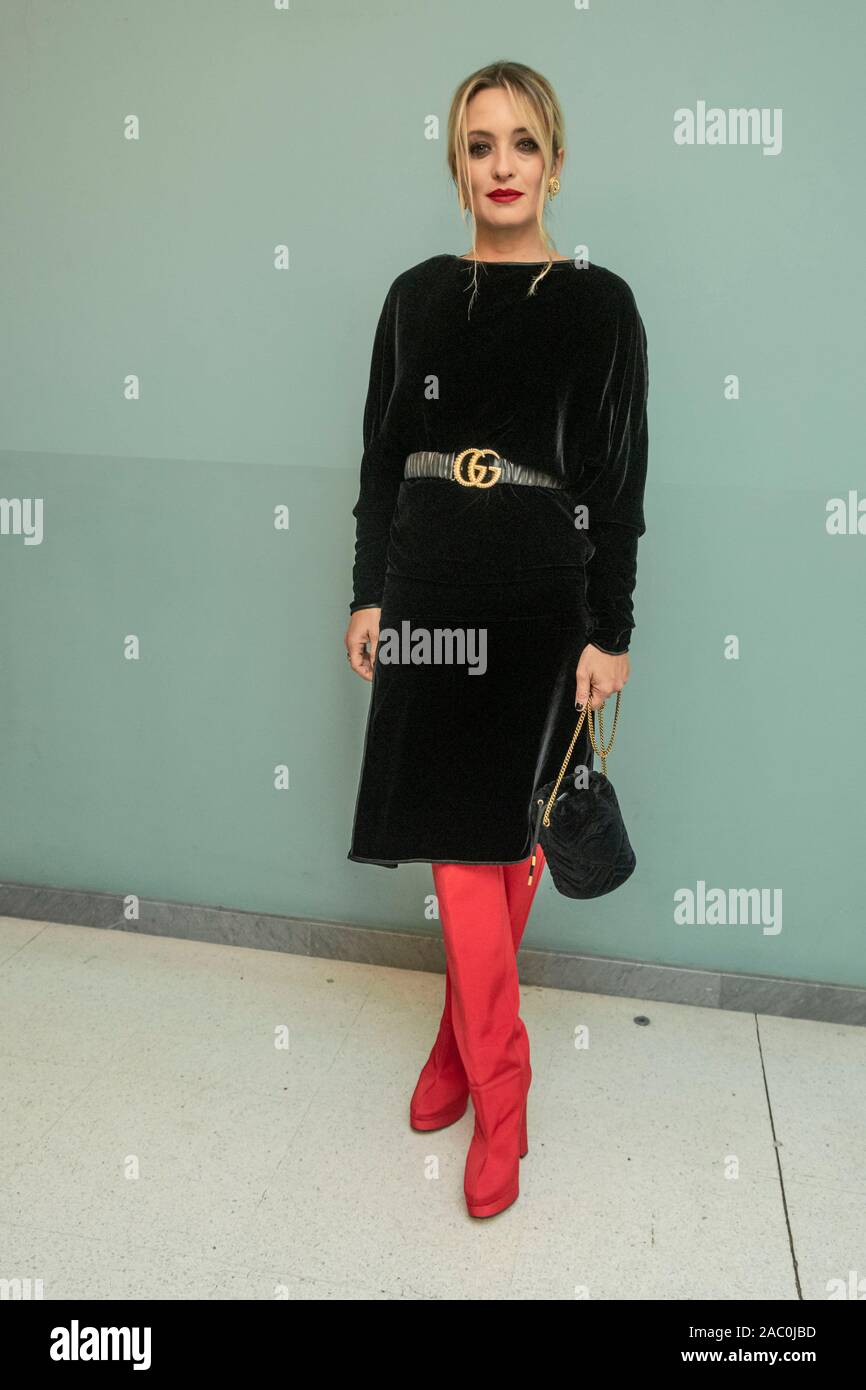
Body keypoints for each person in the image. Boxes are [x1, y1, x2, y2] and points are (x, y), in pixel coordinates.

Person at [343, 60, 649, 1219]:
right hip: (427, 586)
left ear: (554, 160)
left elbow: (616, 486)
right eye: (480, 145)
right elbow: (377, 457)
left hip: (539, 592)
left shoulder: (596, 300)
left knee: (505, 849)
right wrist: (369, 592)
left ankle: (474, 1071)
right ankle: (484, 1070)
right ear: (456, 162)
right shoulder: (416, 295)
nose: (502, 165)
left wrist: (607, 631)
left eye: (522, 143)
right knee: (455, 842)